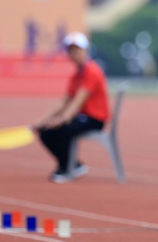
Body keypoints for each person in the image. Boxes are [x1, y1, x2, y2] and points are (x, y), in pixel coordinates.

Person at [34, 32, 109, 183]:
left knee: (62, 130)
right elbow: (65, 102)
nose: (74, 54)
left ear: (86, 51)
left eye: (77, 50)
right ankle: (72, 164)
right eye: (71, 51)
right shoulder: (76, 75)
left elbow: (78, 101)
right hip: (81, 117)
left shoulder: (91, 71)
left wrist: (63, 119)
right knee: (45, 132)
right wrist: (43, 121)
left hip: (94, 118)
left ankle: (67, 167)